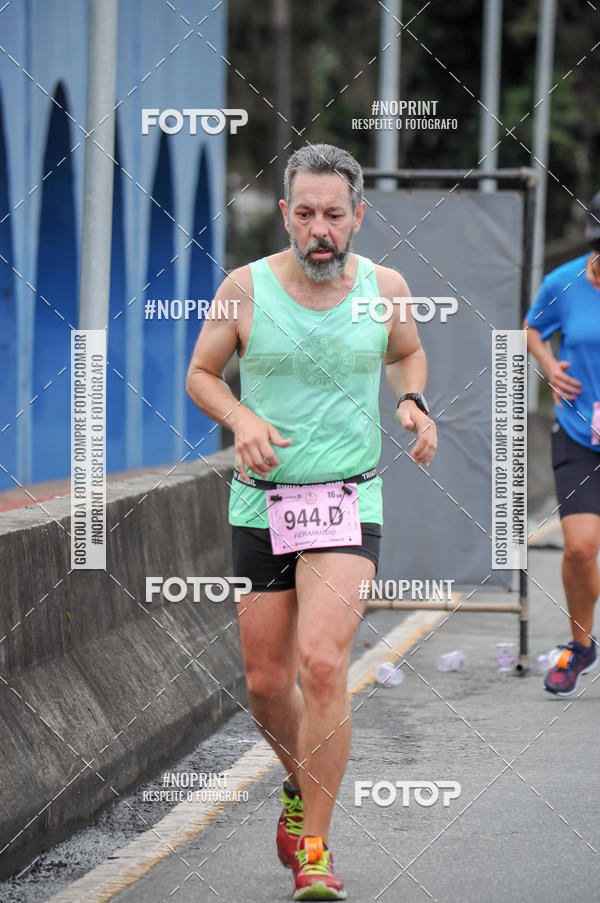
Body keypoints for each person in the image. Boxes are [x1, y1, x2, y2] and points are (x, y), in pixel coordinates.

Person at [186, 143, 437, 900]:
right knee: (267, 684)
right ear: (286, 215)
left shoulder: (387, 288)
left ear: (357, 216)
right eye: (304, 214)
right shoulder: (245, 288)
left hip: (346, 500)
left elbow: (410, 351)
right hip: (263, 502)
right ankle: (298, 789)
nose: (319, 229)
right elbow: (202, 373)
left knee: (323, 664)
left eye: (334, 214)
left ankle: (318, 849)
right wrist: (241, 417)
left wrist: (412, 401)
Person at [525, 191, 600, 696]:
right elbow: (533, 329)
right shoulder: (565, 281)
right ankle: (581, 644)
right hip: (578, 430)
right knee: (578, 548)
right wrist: (550, 367)